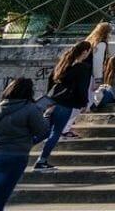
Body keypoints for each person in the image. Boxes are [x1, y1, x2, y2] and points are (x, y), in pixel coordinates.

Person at [35, 41, 93, 171]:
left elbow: (50, 82)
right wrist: (84, 103)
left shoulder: (63, 64)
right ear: (85, 52)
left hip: (52, 102)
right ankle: (42, 160)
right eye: (89, 51)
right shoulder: (82, 67)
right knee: (55, 132)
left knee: (46, 132)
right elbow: (82, 87)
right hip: (66, 104)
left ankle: (20, 147)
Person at [0, 78, 50, 208]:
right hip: (16, 156)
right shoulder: (30, 109)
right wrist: (47, 116)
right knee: (2, 194)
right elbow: (43, 131)